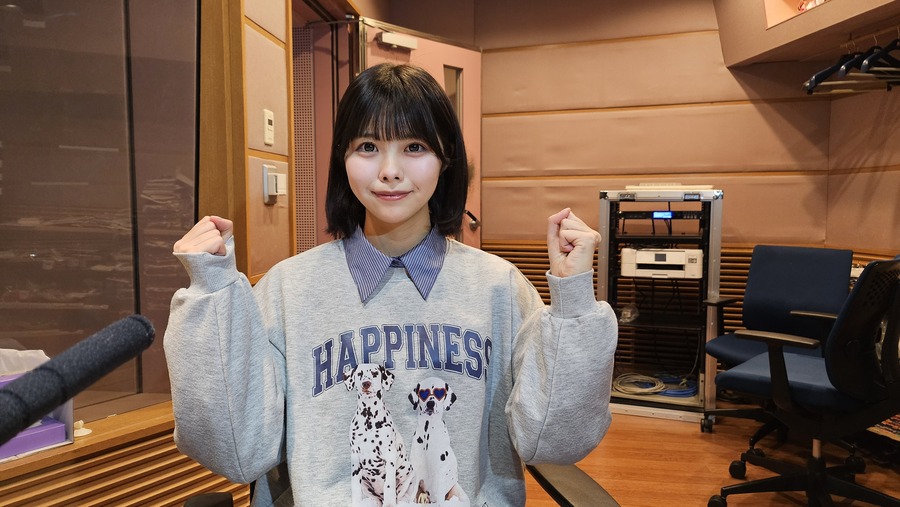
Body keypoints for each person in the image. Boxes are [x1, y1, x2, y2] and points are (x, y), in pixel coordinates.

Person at [165, 63, 618, 507]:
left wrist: (573, 298)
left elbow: (555, 442)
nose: (389, 170)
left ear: (446, 158)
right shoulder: (288, 290)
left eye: (414, 146)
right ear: (342, 158)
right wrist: (211, 291)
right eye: (368, 146)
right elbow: (238, 452)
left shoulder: (500, 288)